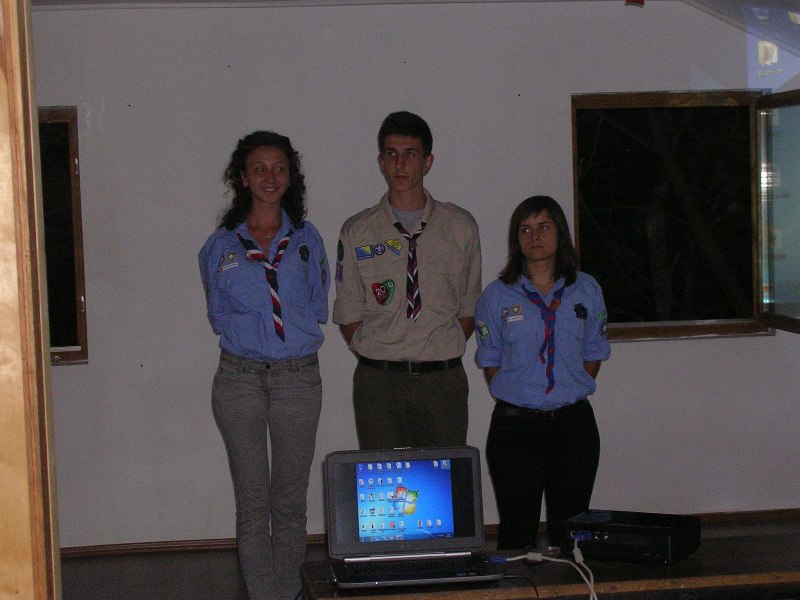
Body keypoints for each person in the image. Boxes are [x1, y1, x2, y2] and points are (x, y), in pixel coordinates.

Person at [198, 131, 330, 600]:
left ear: (291, 176)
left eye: (279, 168)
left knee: (290, 500)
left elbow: (318, 303)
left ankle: (289, 592)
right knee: (253, 501)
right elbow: (218, 314)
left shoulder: (308, 241)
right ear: (243, 177)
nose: (269, 177)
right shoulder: (220, 246)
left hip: (298, 378)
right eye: (259, 168)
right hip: (240, 380)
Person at [333, 111, 482, 450]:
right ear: (381, 162)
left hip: (442, 381)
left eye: (410, 154)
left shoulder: (460, 227)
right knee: (383, 478)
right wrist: (383, 353)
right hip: (379, 383)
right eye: (391, 154)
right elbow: (349, 310)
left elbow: (470, 305)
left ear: (427, 162)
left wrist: (434, 350)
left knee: (444, 478)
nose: (400, 164)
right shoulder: (358, 230)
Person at [474, 195, 610, 550]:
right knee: (517, 532)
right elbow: (490, 358)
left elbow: (594, 352)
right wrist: (521, 394)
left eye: (544, 227)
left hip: (573, 426)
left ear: (560, 232)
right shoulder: (496, 296)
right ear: (516, 239)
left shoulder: (587, 289)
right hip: (515, 429)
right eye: (526, 229)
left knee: (572, 532)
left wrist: (567, 388)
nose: (535, 237)